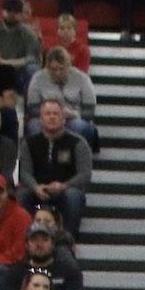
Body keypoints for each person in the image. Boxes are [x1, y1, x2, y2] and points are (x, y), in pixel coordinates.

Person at [20, 102, 91, 242]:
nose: (52, 117)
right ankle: (26, 239)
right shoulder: (28, 143)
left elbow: (85, 174)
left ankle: (67, 240)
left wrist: (64, 185)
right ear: (40, 119)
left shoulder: (78, 142)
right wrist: (35, 187)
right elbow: (24, 171)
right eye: (47, 114)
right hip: (38, 194)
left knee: (73, 196)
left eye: (56, 114)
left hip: (64, 193)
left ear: (64, 119)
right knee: (22, 195)